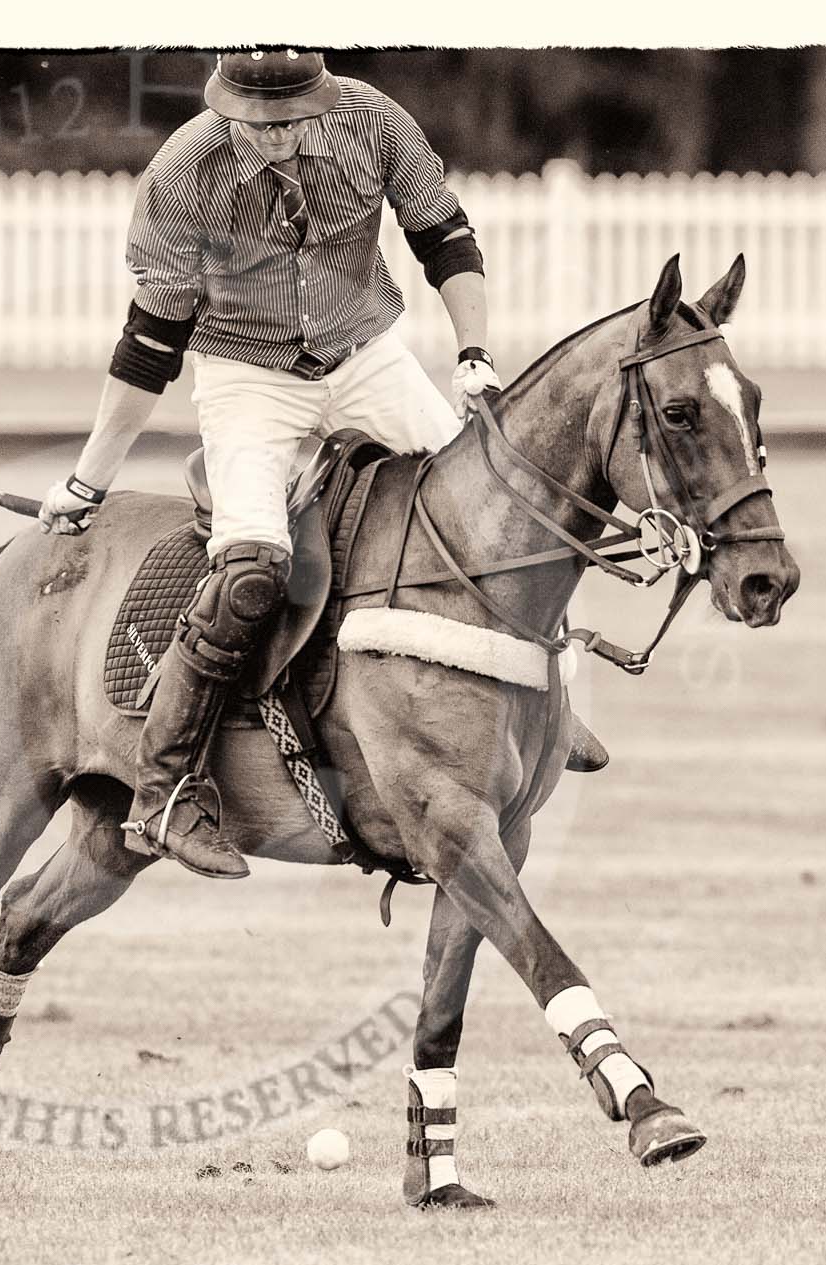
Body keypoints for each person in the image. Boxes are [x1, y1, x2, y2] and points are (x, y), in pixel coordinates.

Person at [37, 50, 508, 879]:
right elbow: (150, 348)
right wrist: (89, 481)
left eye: (295, 119)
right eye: (262, 125)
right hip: (247, 376)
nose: (281, 138)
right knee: (252, 567)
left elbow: (446, 238)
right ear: (229, 106)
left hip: (364, 355)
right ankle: (166, 784)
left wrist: (474, 353)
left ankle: (544, 709)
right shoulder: (183, 173)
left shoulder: (373, 121)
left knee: (486, 509)